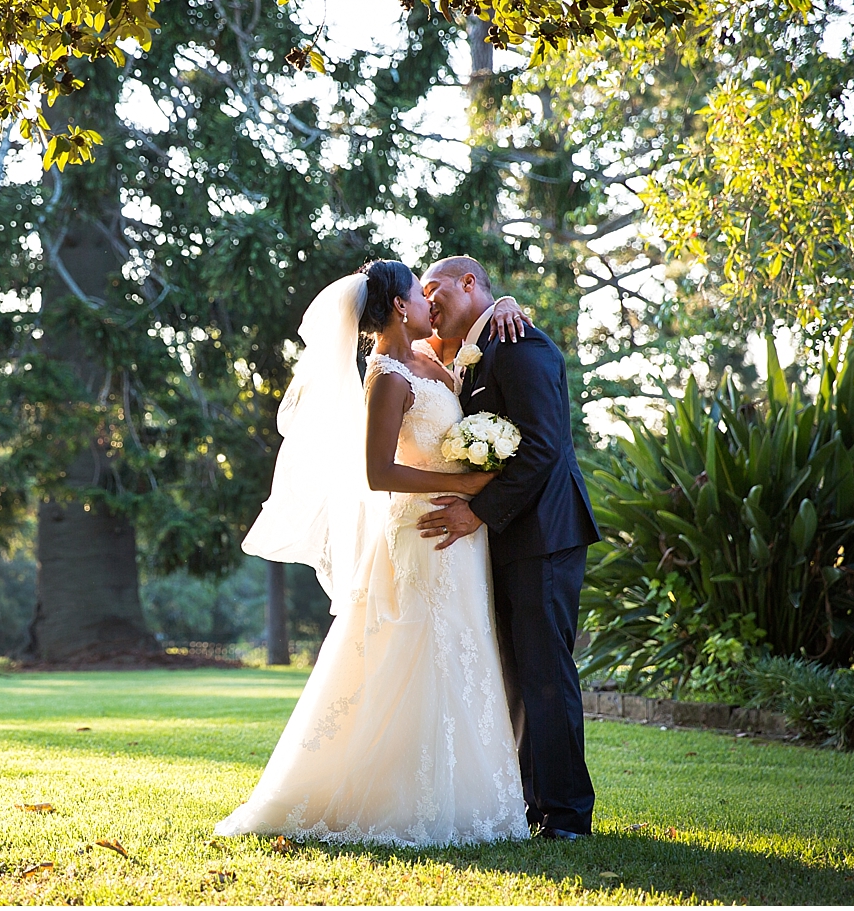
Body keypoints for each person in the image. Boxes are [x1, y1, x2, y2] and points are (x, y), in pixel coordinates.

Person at [215, 260, 532, 847]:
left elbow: (481, 320)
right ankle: (400, 798)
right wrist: (465, 486)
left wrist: (508, 301)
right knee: (418, 655)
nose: (429, 304)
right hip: (423, 532)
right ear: (396, 307)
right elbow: (378, 472)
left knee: (464, 651)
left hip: (461, 536)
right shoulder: (387, 375)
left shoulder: (432, 356)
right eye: (420, 293)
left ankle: (471, 797)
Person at [415, 255, 601, 840]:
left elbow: (543, 448)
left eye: (436, 287)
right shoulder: (474, 352)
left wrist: (477, 511)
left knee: (546, 675)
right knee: (519, 679)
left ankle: (567, 814)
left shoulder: (519, 344)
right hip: (510, 540)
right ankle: (533, 806)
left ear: (470, 284)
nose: (429, 299)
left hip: (545, 535)